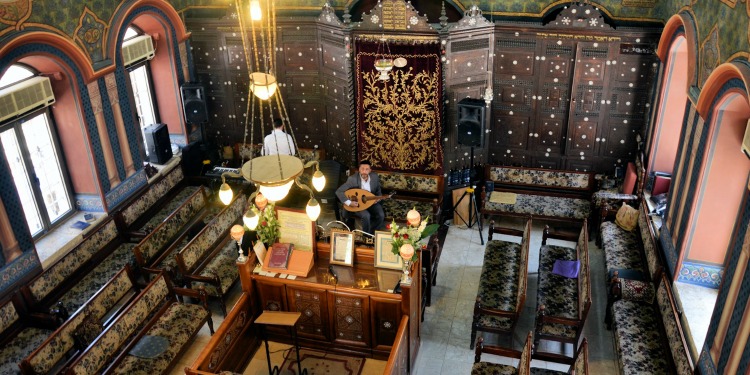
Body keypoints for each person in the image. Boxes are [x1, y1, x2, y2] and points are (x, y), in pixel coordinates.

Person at [335, 160, 384, 235]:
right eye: (362, 169)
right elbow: (339, 191)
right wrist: (349, 203)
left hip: (371, 202)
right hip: (358, 204)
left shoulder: (374, 177)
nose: (364, 171)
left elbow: (378, 191)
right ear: (359, 170)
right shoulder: (353, 179)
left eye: (367, 169)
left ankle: (371, 233)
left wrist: (377, 199)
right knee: (366, 216)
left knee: (381, 215)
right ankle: (365, 236)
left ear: (370, 170)